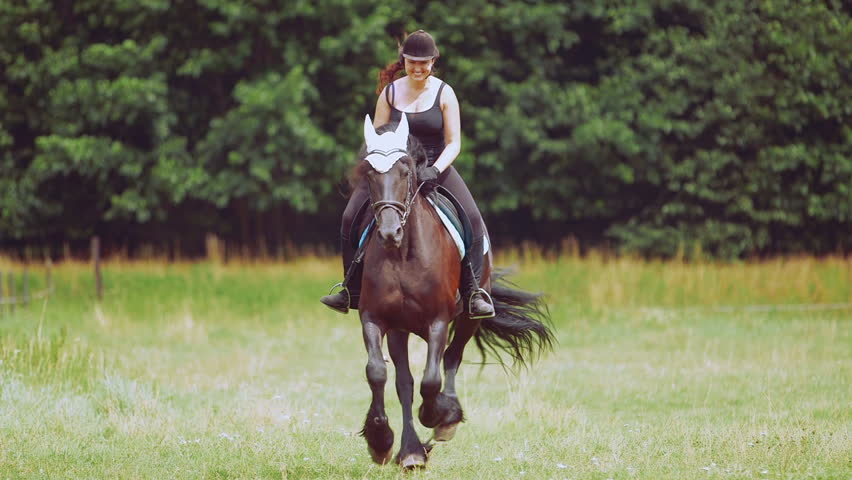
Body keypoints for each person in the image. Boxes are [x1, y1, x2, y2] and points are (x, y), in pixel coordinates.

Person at [321, 29, 494, 319]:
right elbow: (376, 137)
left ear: (433, 62)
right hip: (391, 170)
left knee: (473, 218)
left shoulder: (444, 93)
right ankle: (350, 288)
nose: (418, 68)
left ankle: (475, 291)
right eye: (413, 62)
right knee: (349, 216)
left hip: (434, 168)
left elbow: (454, 143)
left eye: (424, 63)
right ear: (404, 61)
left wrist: (435, 169)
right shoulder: (389, 93)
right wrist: (379, 167)